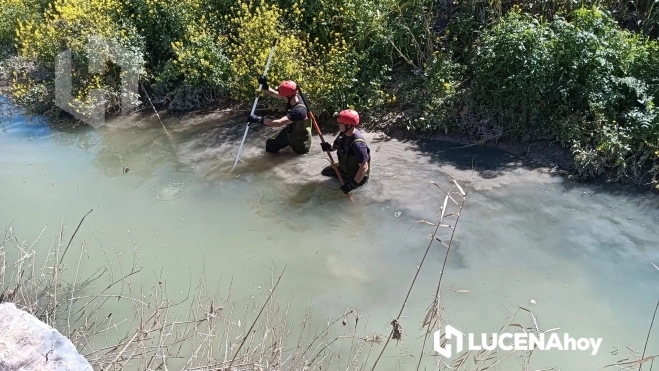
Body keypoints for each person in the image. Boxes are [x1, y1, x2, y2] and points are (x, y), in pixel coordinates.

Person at [247, 77, 313, 155]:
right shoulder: (292, 97)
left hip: (300, 139)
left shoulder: (299, 111)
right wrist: (265, 85)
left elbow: (279, 123)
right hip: (290, 131)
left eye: (283, 95)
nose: (281, 96)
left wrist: (258, 119)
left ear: (289, 96)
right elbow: (273, 93)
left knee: (299, 156)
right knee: (271, 145)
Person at [320, 109, 370, 194]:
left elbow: (364, 167)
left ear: (348, 125)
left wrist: (353, 184)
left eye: (340, 123)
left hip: (356, 175)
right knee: (325, 172)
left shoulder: (358, 145)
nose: (338, 124)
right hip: (346, 169)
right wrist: (329, 147)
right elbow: (335, 145)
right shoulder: (343, 134)